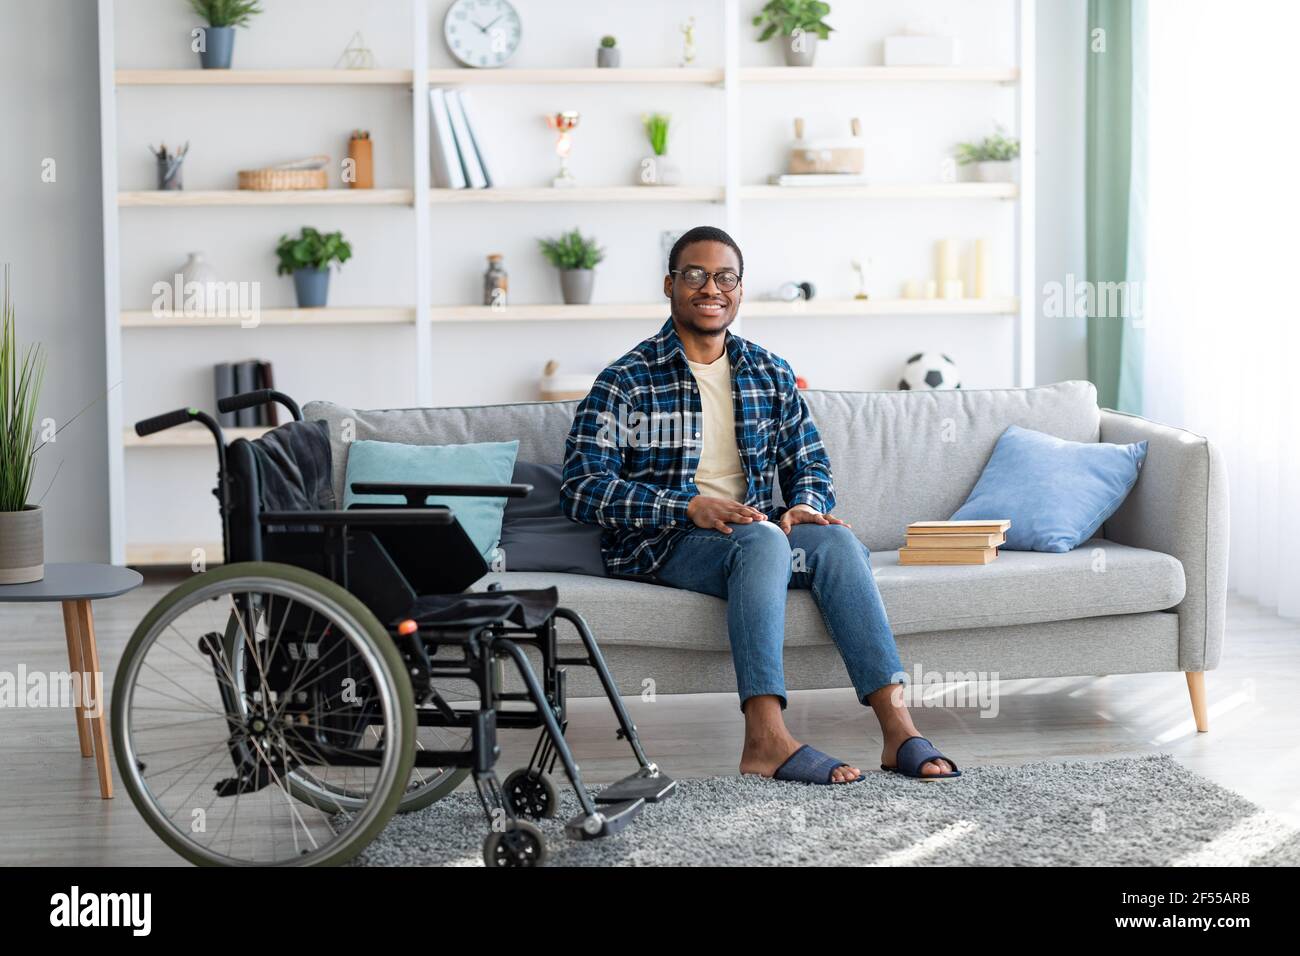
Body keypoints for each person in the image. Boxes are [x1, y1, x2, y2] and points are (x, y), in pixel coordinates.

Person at [561, 226, 959, 784]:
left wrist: (805, 504)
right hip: (663, 544)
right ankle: (765, 739)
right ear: (670, 284)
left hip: (754, 536)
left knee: (838, 541)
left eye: (725, 277)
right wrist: (686, 507)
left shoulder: (768, 372)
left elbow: (812, 464)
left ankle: (898, 730)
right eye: (694, 275)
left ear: (740, 290)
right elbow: (582, 487)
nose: (710, 288)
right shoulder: (626, 381)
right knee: (765, 537)